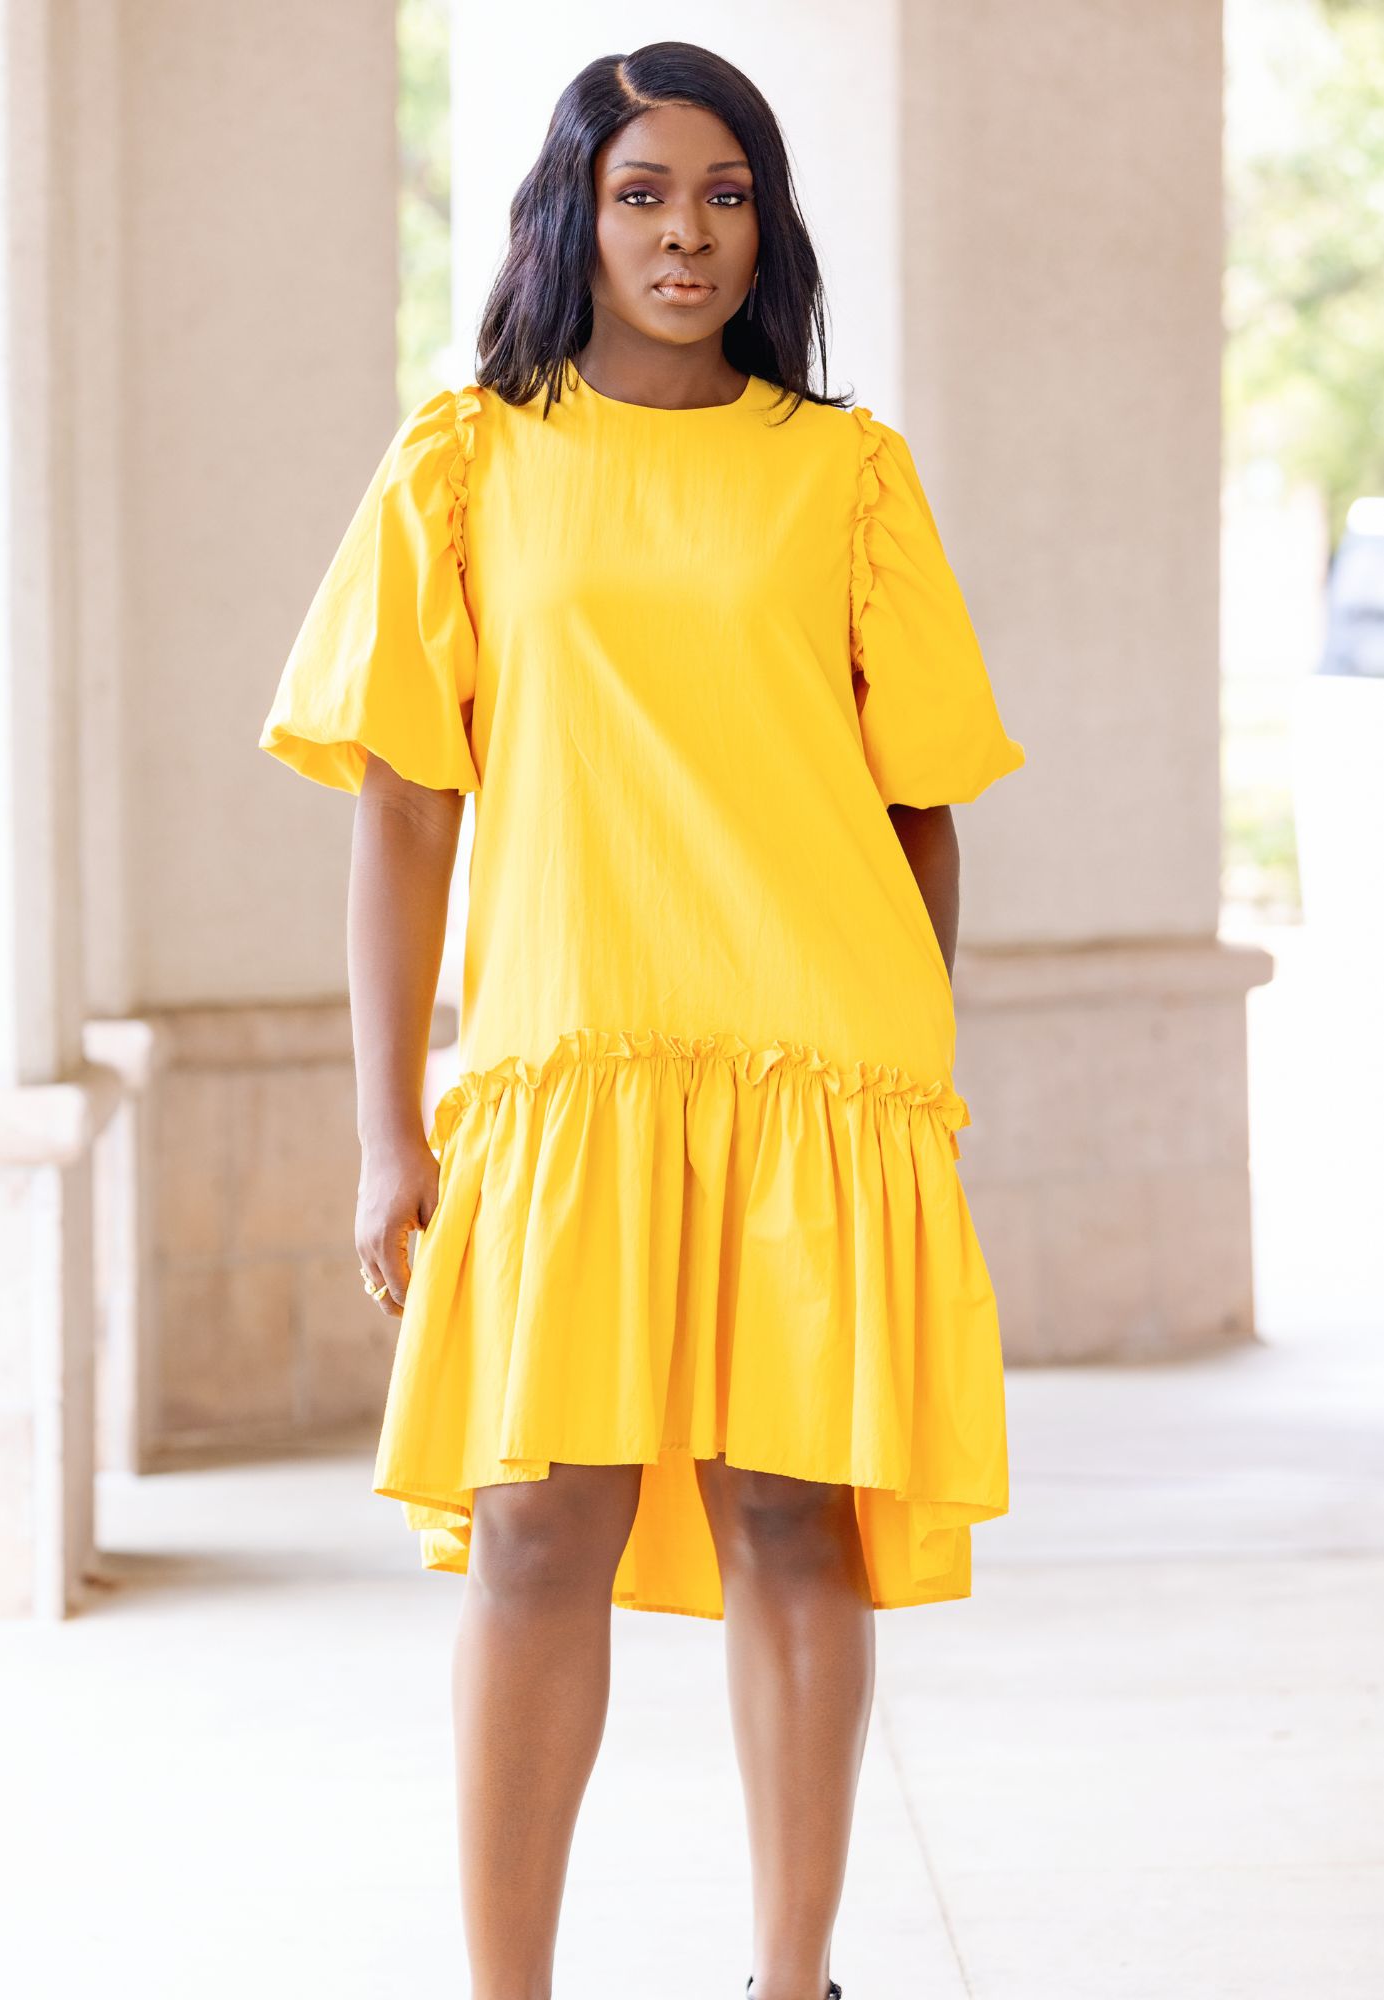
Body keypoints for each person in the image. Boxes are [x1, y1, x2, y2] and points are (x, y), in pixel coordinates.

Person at [258, 38, 1025, 2000]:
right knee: (533, 1528)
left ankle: (793, 1978)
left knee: (791, 1518)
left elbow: (918, 809)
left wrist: (899, 1092)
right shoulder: (468, 462)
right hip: (565, 1060)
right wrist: (387, 1126)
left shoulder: (844, 474)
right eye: (642, 193)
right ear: (571, 220)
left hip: (813, 1060)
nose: (686, 234)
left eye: (724, 194)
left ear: (764, 228)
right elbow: (403, 812)